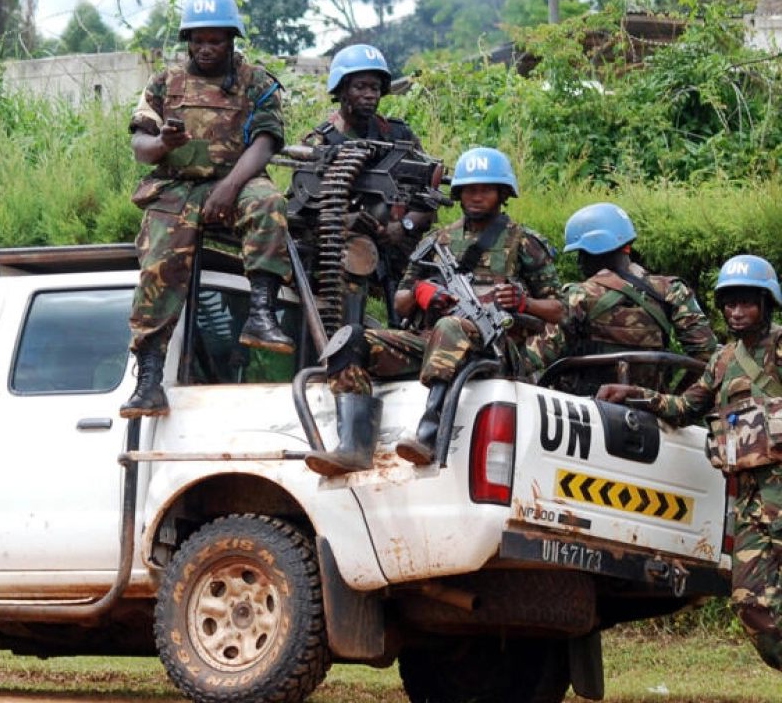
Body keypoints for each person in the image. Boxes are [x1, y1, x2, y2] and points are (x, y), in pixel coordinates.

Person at [305, 147, 562, 477]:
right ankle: (353, 447)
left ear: (502, 194)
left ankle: (428, 434)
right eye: (469, 189)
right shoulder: (438, 241)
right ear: (458, 194)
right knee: (350, 340)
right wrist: (421, 293)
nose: (476, 196)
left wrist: (524, 303)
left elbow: (559, 310)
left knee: (451, 326)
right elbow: (400, 302)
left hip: (492, 349)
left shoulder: (523, 242)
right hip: (430, 344)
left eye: (485, 189)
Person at [596, 254, 782, 670]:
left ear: (766, 304)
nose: (736, 312)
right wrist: (637, 396)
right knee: (751, 604)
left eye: (746, 303)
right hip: (751, 504)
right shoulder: (722, 360)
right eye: (729, 303)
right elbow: (685, 408)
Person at [120, 0, 294, 419]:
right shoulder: (165, 82)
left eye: (215, 40)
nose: (206, 48)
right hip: (177, 186)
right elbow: (140, 145)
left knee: (270, 203)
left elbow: (267, 141)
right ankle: (149, 380)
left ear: (232, 40)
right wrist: (164, 143)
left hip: (238, 180)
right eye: (198, 40)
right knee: (158, 265)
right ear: (188, 41)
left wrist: (230, 188)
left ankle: (261, 315)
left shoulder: (256, 82)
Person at [293, 44, 440, 328]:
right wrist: (345, 220)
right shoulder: (321, 142)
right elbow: (300, 209)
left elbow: (431, 195)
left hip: (399, 244)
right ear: (342, 89)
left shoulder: (398, 136)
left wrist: (403, 226)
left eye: (375, 87)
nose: (370, 94)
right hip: (340, 245)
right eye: (360, 87)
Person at [525, 202, 717, 393]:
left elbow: (535, 356)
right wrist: (675, 399)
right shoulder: (672, 291)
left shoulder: (578, 296)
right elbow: (707, 354)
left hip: (588, 406)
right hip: (650, 405)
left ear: (593, 250)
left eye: (581, 253)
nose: (579, 261)